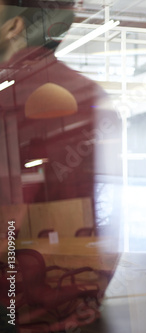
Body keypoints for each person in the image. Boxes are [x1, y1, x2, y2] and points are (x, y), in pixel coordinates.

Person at [0, 1, 121, 330]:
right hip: (73, 309)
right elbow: (111, 223)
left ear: (14, 26)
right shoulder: (89, 96)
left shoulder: (11, 98)